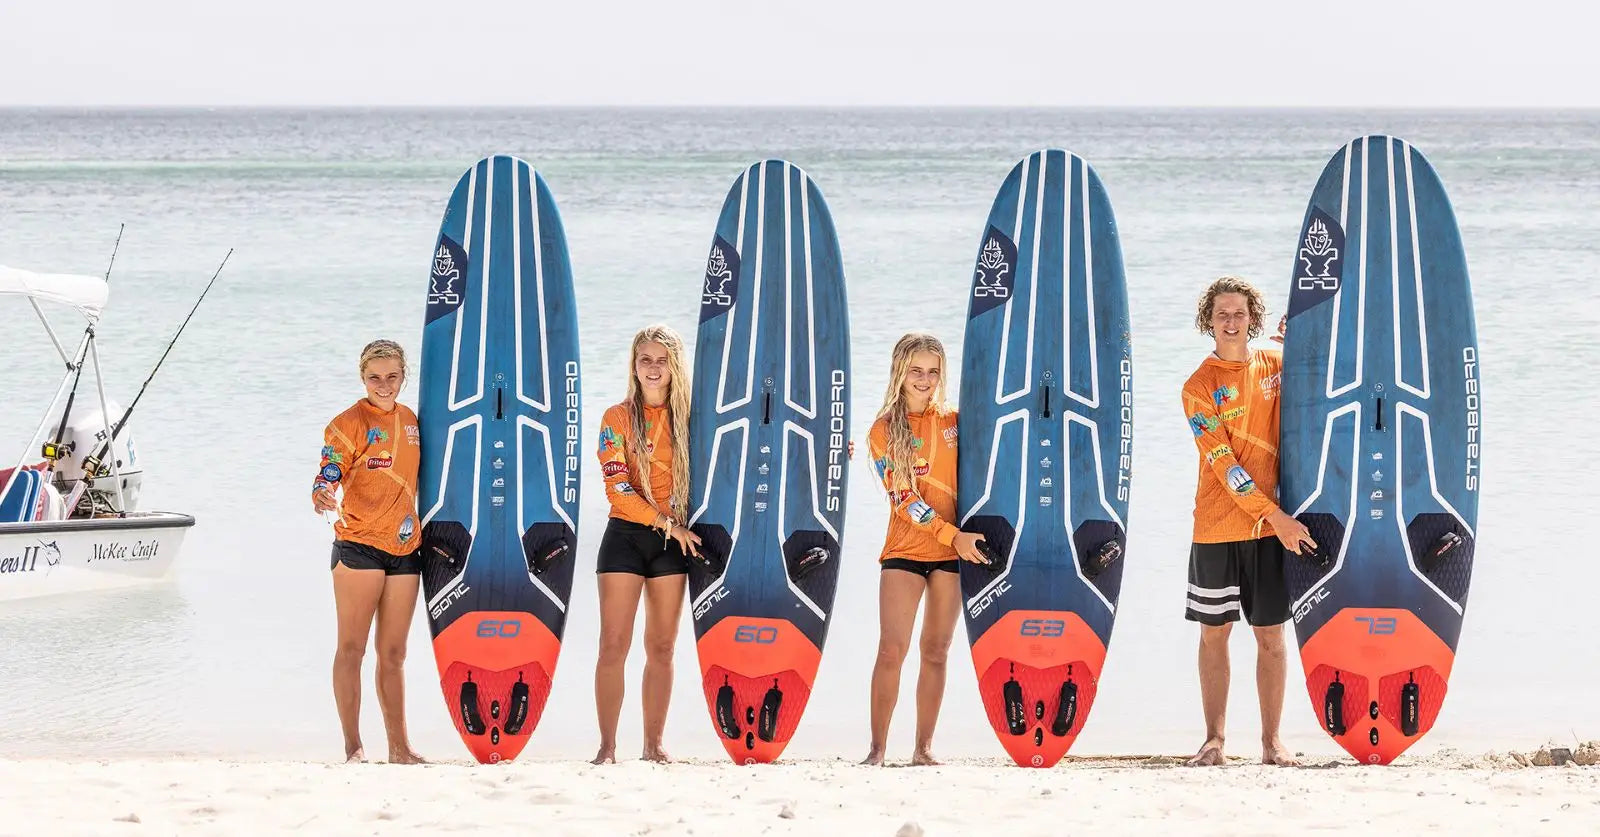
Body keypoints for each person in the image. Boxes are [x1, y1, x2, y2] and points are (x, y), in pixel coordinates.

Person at [1180, 277, 1315, 767]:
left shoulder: (1274, 365)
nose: (1231, 321)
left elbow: (1313, 377)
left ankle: (1271, 742)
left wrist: (1302, 335)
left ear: (1252, 319)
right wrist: (1276, 516)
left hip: (1268, 530)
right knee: (1214, 634)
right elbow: (1225, 466)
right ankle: (1214, 740)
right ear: (1208, 322)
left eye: (1239, 313)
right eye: (1222, 314)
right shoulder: (1198, 388)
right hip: (1217, 528)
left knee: (1271, 635)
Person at [861, 332, 990, 766]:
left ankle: (923, 749)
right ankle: (877, 750)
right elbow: (904, 501)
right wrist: (952, 535)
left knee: (936, 650)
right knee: (890, 649)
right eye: (916, 371)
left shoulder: (955, 421)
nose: (925, 379)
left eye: (933, 371)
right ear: (900, 371)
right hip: (906, 551)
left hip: (952, 554)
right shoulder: (882, 432)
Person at [311, 339, 426, 764]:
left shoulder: (412, 421)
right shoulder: (347, 422)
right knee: (352, 649)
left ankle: (400, 748)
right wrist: (323, 490)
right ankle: (353, 746)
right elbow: (329, 468)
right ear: (363, 377)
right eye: (375, 377)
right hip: (358, 546)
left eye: (392, 376)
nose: (384, 384)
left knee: (394, 654)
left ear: (403, 376)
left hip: (405, 548)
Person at [591, 324, 702, 764]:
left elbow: (742, 457)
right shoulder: (616, 418)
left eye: (662, 360)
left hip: (674, 544)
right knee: (612, 645)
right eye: (645, 360)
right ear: (634, 366)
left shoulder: (693, 420)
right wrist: (665, 524)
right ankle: (607, 746)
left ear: (675, 367)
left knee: (662, 647)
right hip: (625, 538)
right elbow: (617, 488)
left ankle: (654, 745)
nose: (653, 368)